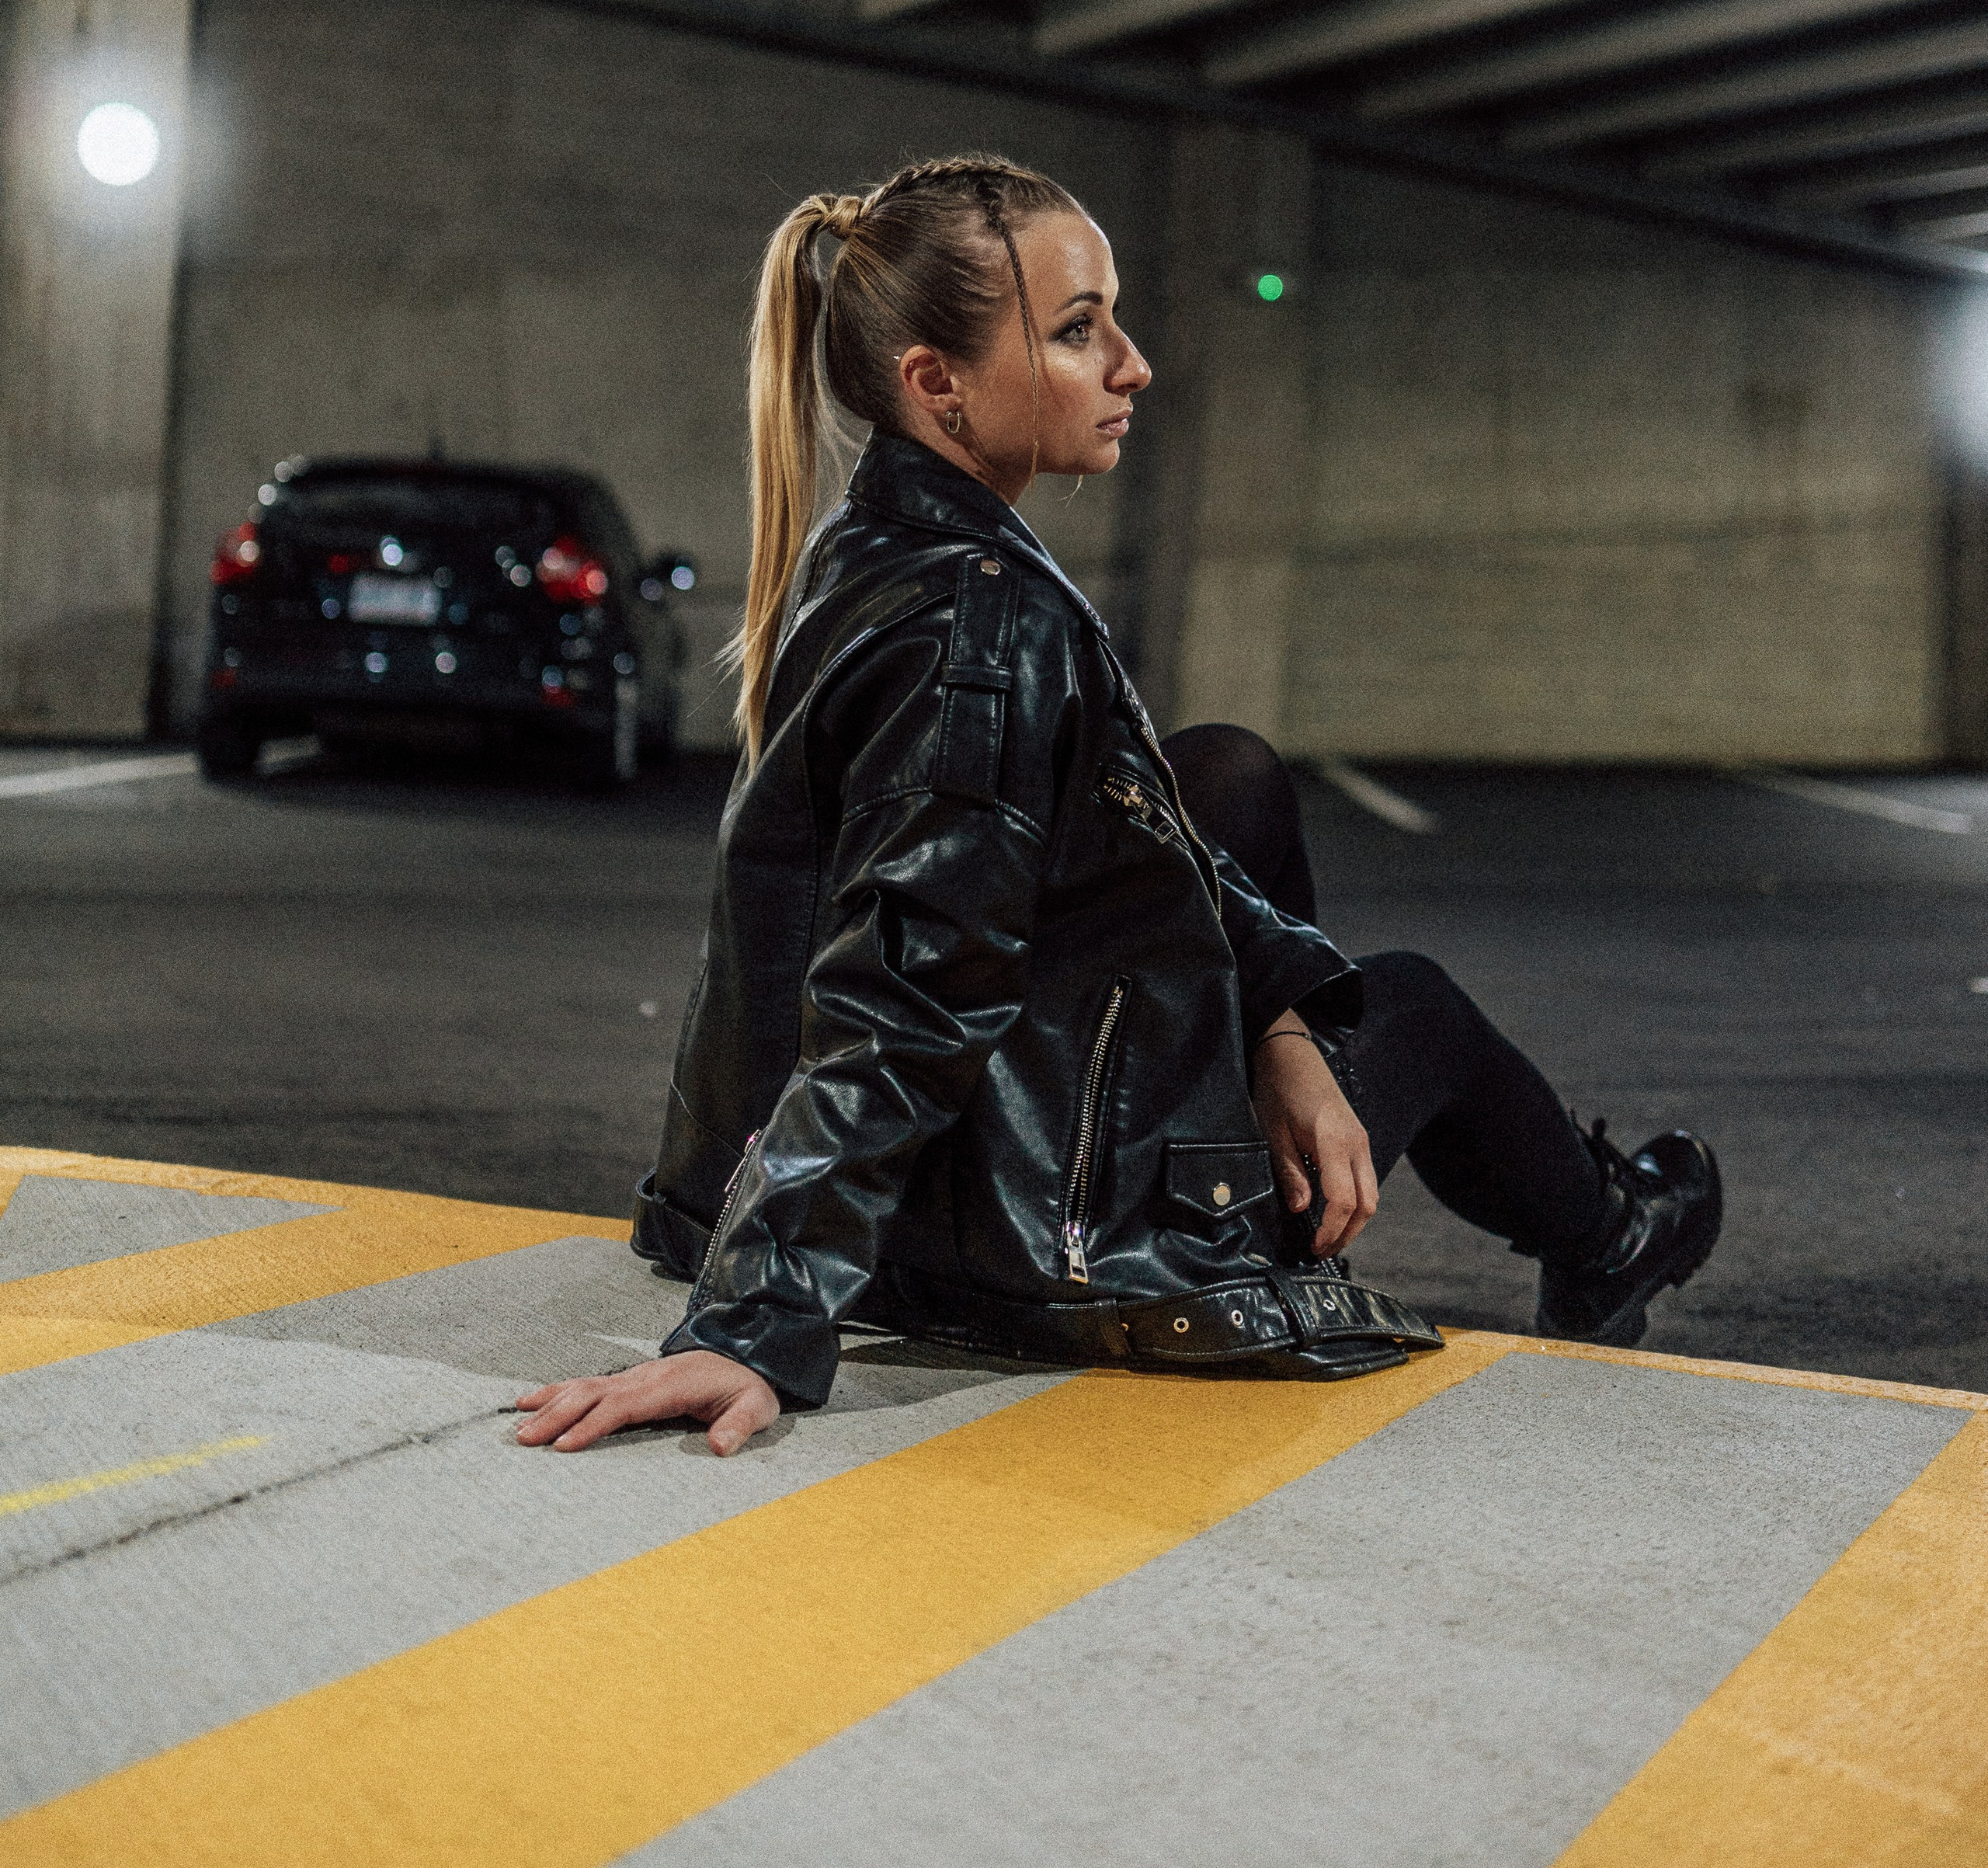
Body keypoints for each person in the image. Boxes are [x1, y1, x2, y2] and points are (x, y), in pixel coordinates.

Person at [518, 155, 1719, 1456]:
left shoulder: (869, 545)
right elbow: (908, 992)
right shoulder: (990, 621)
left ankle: (1296, 1088)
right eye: (1079, 330)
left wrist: (1279, 1030)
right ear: (939, 383)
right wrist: (753, 1323)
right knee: (1417, 997)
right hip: (1032, 1238)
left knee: (1222, 775)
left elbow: (1090, 846)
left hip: (934, 1180)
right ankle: (1608, 1237)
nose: (1132, 365)